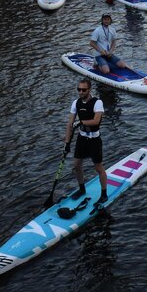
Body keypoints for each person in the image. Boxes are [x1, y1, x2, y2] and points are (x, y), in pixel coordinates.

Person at [64, 80, 109, 208]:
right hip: (82, 138)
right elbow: (69, 124)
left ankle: (104, 194)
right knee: (76, 165)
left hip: (94, 139)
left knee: (98, 168)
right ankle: (82, 189)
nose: (81, 92)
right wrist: (67, 143)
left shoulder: (97, 102)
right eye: (79, 89)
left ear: (89, 90)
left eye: (84, 90)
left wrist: (80, 122)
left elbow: (96, 121)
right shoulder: (76, 103)